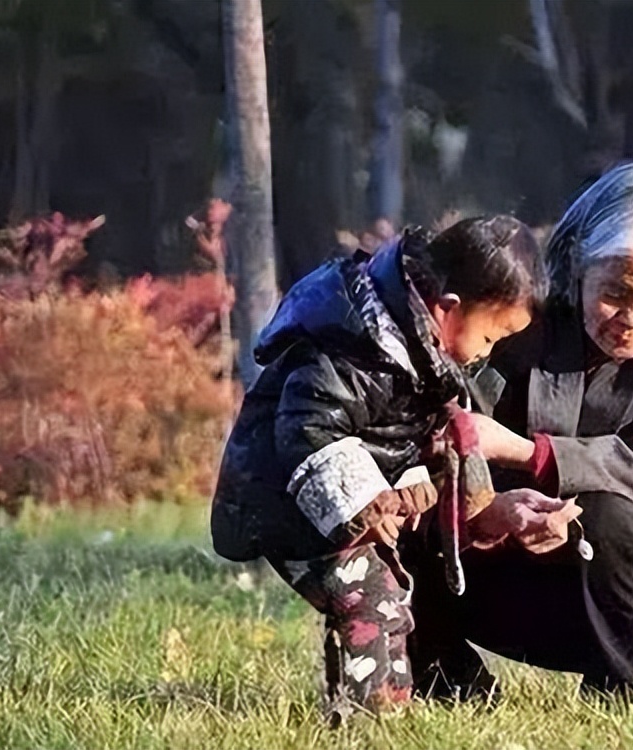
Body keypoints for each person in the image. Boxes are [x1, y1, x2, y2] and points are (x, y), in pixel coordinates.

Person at [408, 163, 633, 701]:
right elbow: (449, 418)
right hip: (512, 560)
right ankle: (448, 679)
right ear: (577, 264)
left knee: (607, 511)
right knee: (401, 500)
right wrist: (493, 506)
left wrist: (528, 455)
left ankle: (618, 692)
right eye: (616, 291)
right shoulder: (516, 289)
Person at [209, 216, 580, 721]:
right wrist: (365, 502)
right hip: (293, 506)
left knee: (387, 601)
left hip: (341, 511)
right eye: (490, 338)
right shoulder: (354, 348)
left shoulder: (421, 359)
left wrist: (433, 494)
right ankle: (368, 714)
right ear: (447, 309)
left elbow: (407, 440)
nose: (486, 354)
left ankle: (387, 701)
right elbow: (307, 429)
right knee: (370, 602)